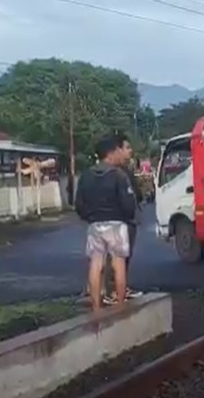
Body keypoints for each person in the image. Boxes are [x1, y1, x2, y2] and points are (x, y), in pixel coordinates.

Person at [75, 133, 136, 311]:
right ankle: (120, 305)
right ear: (110, 153)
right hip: (117, 223)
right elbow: (128, 204)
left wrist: (90, 217)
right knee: (119, 265)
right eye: (118, 150)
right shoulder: (119, 175)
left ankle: (96, 307)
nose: (120, 153)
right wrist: (126, 216)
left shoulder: (86, 175)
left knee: (95, 264)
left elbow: (79, 203)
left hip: (95, 224)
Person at [102, 157, 144, 304]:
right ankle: (111, 291)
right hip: (120, 219)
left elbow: (135, 192)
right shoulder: (113, 173)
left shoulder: (125, 171)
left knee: (124, 256)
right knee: (115, 258)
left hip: (129, 219)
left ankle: (121, 288)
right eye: (126, 148)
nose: (129, 154)